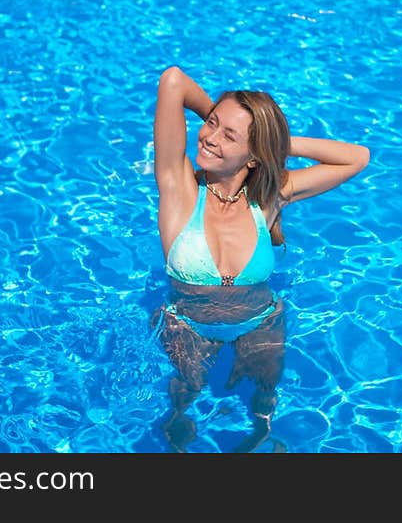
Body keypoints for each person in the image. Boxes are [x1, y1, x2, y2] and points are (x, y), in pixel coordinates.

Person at [151, 65, 370, 452]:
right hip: (187, 324)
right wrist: (225, 127)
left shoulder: (267, 198)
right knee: (184, 397)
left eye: (228, 134)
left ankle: (259, 438)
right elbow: (173, 80)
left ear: (254, 156)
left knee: (263, 404)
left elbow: (357, 157)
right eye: (211, 123)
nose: (209, 137)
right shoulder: (179, 186)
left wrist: (273, 144)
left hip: (260, 323)